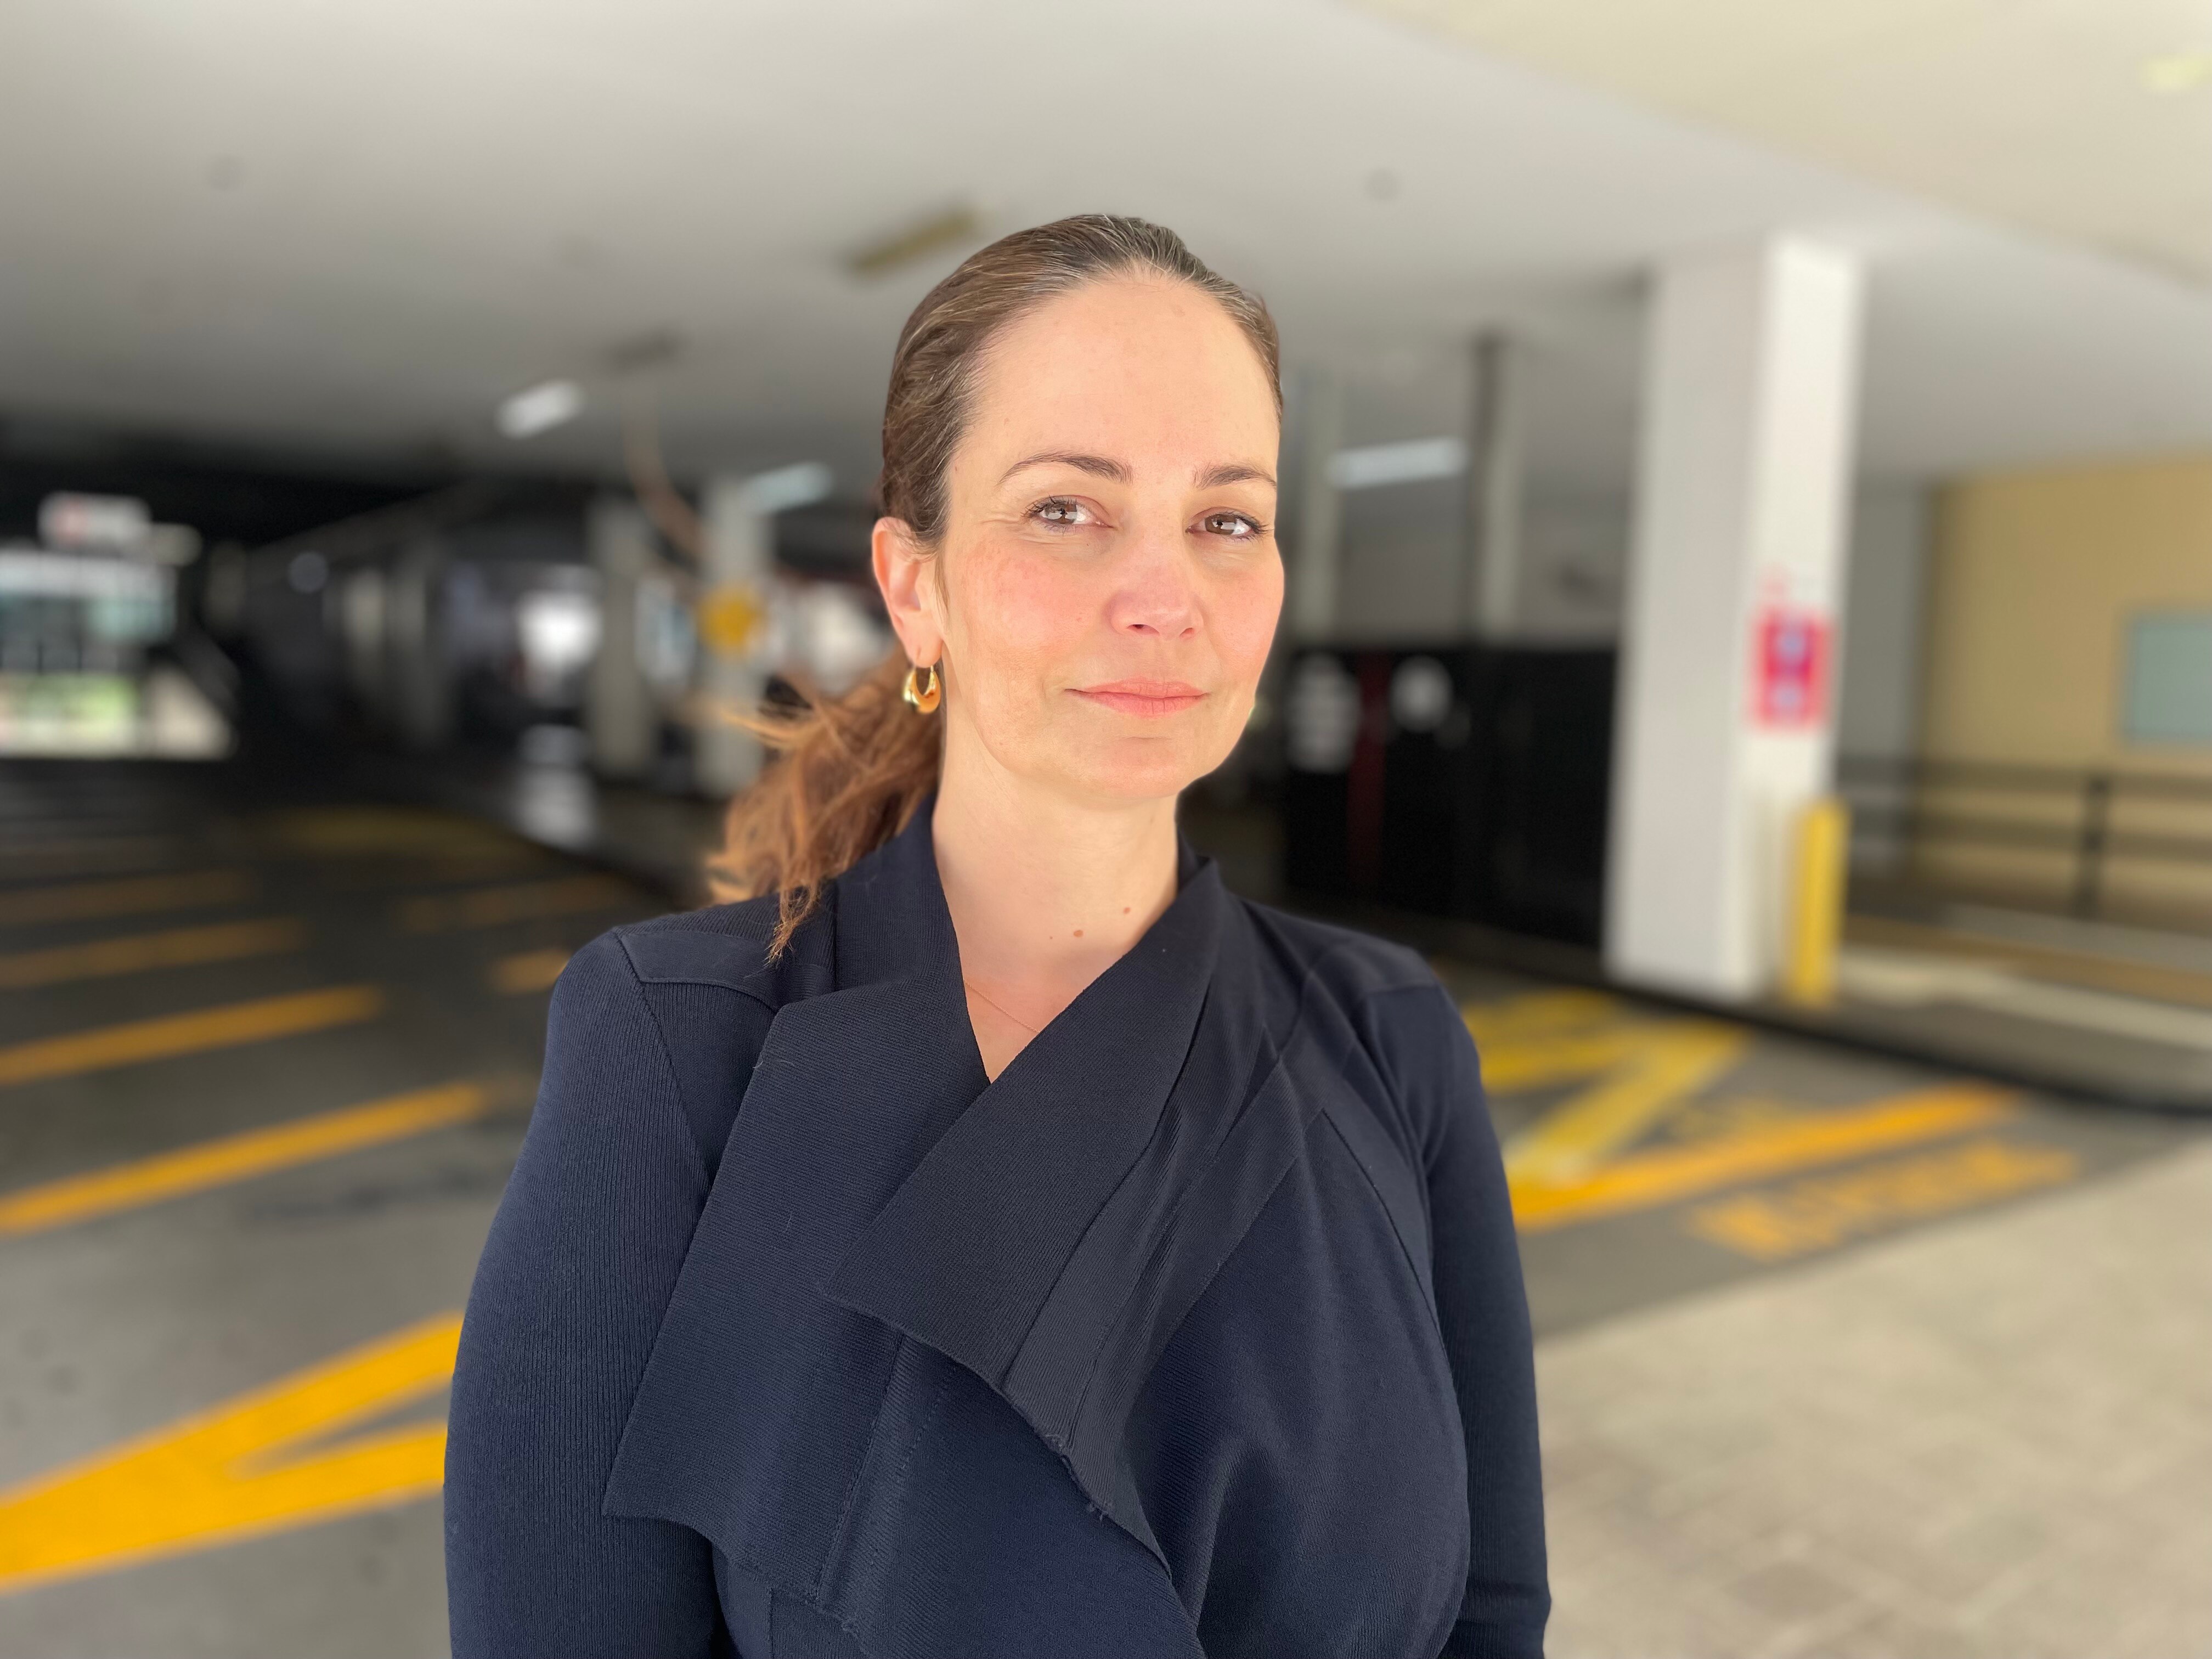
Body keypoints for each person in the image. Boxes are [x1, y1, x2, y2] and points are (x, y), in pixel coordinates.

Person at [445, 214, 1548, 1659]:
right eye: (1065, 509)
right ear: (914, 584)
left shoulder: (1391, 1038)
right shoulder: (678, 1047)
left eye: (1227, 519)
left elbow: (1488, 1615)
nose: (1167, 600)